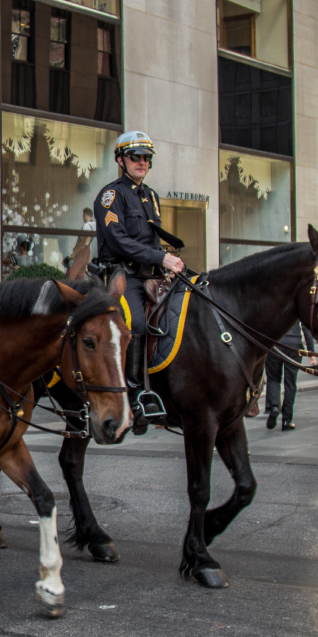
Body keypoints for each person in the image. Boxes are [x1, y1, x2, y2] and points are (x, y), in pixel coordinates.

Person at [92, 130, 186, 429]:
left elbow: (151, 239)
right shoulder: (111, 195)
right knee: (135, 325)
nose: (142, 162)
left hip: (153, 274)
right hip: (123, 274)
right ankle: (135, 394)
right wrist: (161, 258)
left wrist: (167, 264)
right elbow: (119, 241)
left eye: (146, 158)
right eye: (136, 157)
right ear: (121, 160)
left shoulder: (150, 195)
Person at [263, 323, 315, 431]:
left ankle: (274, 406)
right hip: (294, 344)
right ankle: (287, 420)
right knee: (290, 383)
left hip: (275, 343)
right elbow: (306, 328)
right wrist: (311, 351)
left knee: (273, 378)